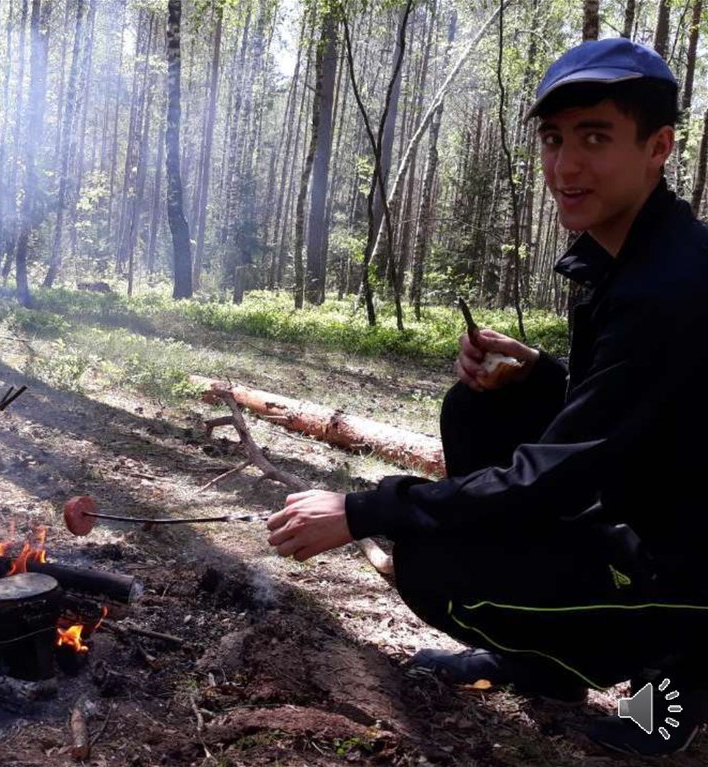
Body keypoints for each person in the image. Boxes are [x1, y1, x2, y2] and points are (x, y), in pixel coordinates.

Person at [266, 38, 708, 757]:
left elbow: (555, 476)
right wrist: (539, 375)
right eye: (554, 139)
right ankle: (541, 666)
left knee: (434, 565)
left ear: (658, 146)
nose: (564, 167)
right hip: (658, 516)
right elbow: (644, 416)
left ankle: (679, 686)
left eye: (595, 138)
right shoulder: (630, 258)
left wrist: (362, 508)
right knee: (482, 405)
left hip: (688, 571)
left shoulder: (672, 286)